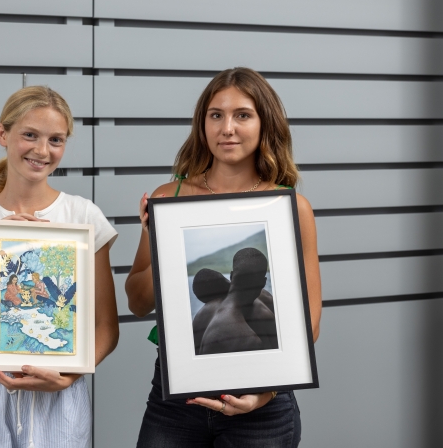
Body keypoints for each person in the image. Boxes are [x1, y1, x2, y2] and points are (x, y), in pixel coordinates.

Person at [125, 67, 322, 447]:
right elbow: (137, 302)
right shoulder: (169, 198)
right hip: (176, 400)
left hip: (263, 404)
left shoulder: (293, 208)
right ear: (202, 125)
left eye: (242, 115)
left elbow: (308, 322)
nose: (226, 127)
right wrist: (162, 243)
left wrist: (266, 392)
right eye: (216, 115)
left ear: (266, 124)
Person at [0, 86, 119, 448]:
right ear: (3, 134)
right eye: (30, 135)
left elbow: (107, 329)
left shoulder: (84, 217)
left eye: (56, 139)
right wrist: (1, 251)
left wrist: (69, 375)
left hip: (60, 389)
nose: (42, 150)